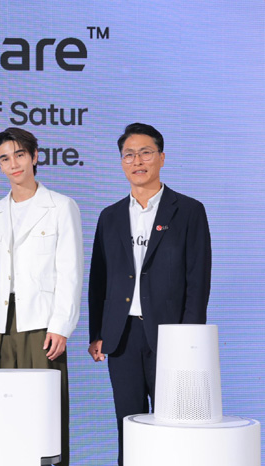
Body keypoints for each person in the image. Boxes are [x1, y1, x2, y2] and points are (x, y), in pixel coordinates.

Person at [88, 123, 211, 465]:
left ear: (161, 158)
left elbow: (198, 280)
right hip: (122, 336)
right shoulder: (110, 216)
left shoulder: (188, 211)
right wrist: (97, 333)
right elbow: (99, 280)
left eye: (145, 153)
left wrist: (189, 339)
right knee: (129, 425)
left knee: (175, 424)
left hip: (171, 336)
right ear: (121, 162)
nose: (137, 161)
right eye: (129, 155)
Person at [0, 127, 82, 466]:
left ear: (35, 156)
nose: (13, 164)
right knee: (8, 412)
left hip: (43, 324)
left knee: (46, 412)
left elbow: (70, 270)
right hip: (4, 325)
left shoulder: (61, 206)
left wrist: (61, 326)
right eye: (4, 159)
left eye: (20, 155)